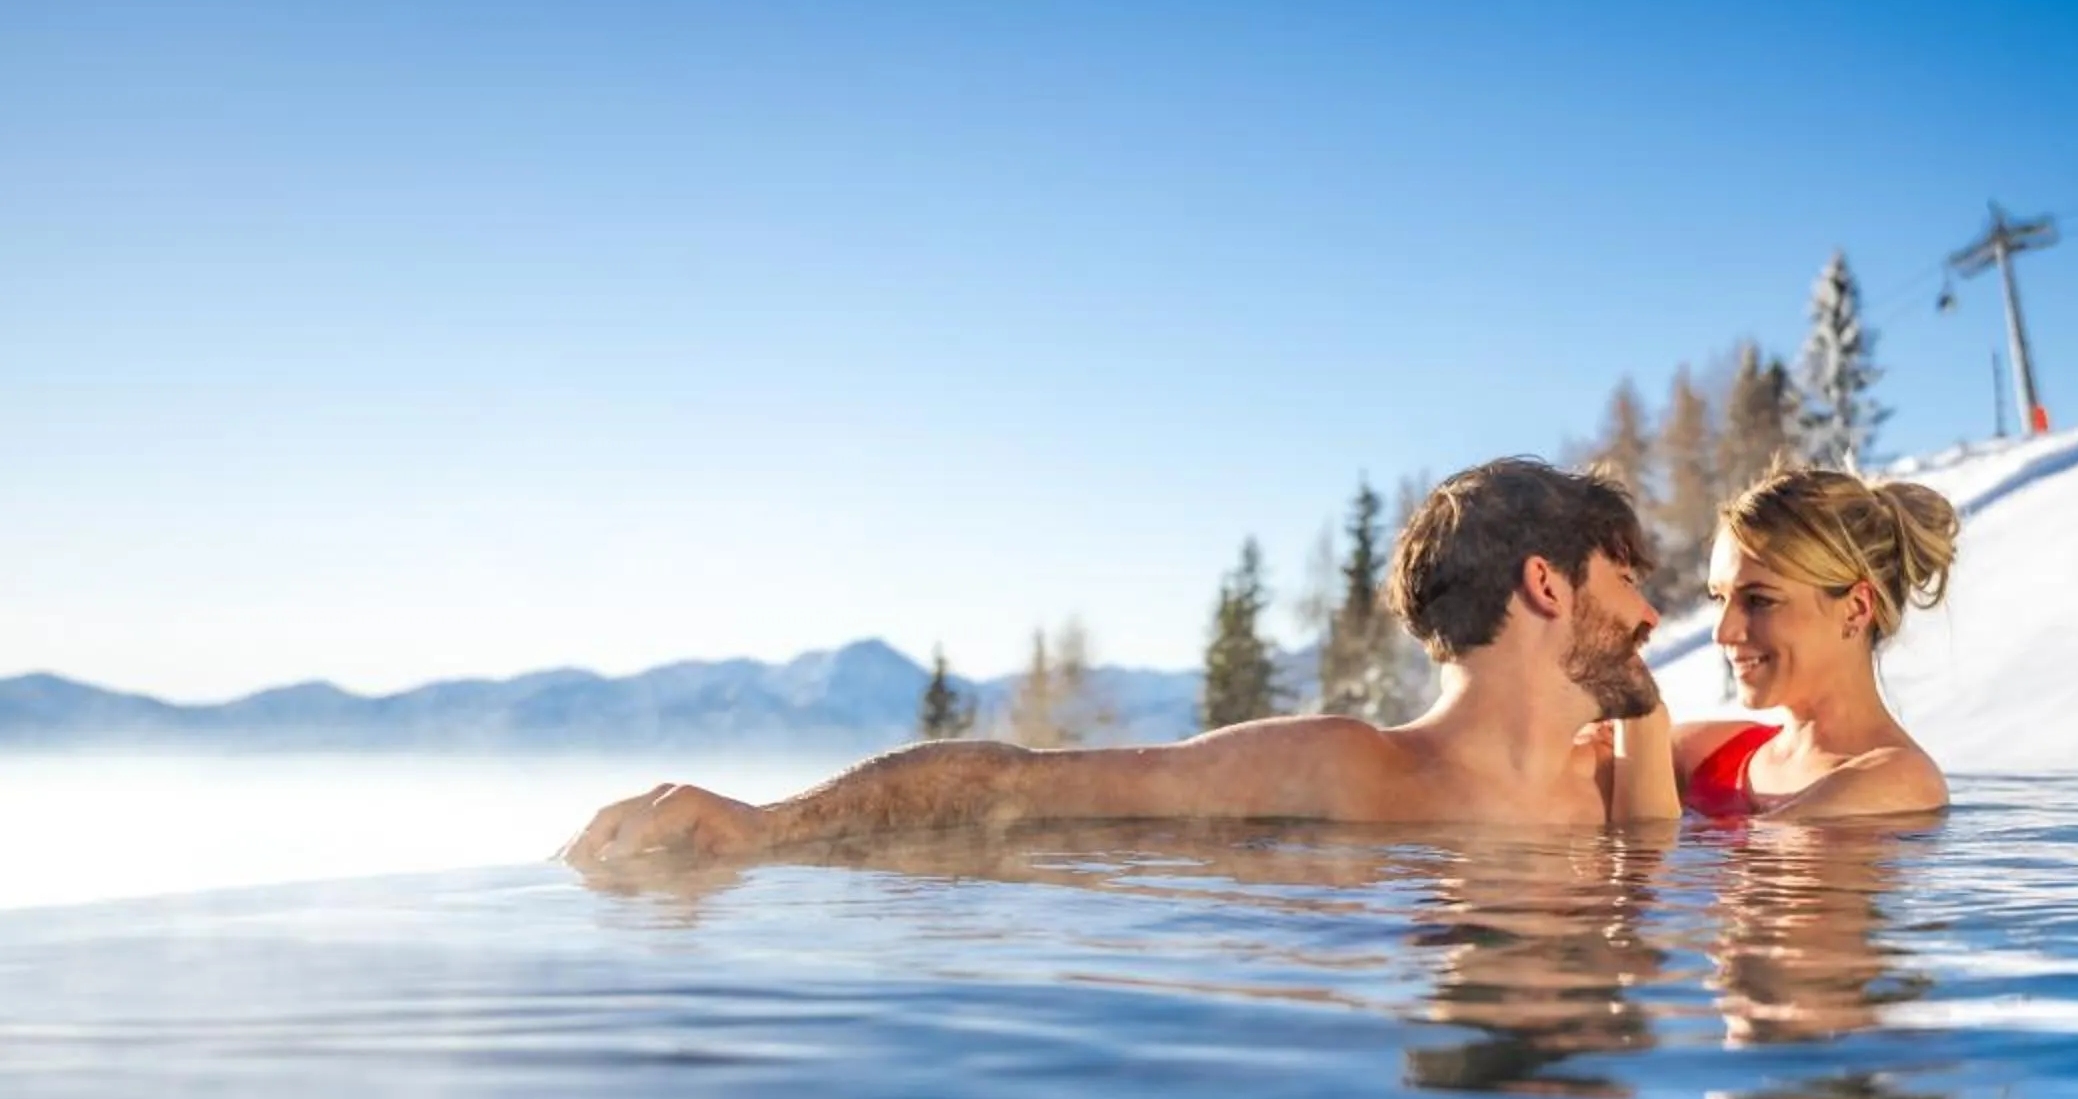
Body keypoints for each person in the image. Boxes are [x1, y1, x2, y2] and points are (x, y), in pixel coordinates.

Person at [561, 458, 1669, 867]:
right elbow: (1020, 789)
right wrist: (769, 828)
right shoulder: (1353, 771)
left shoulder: (1628, 783)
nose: (1653, 613)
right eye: (1626, 579)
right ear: (1546, 585)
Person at [1649, 464, 1961, 821]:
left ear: (1856, 609)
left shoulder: (1903, 780)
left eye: (1759, 600)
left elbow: (1759, 851)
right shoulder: (1698, 755)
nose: (1722, 633)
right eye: (1719, 599)